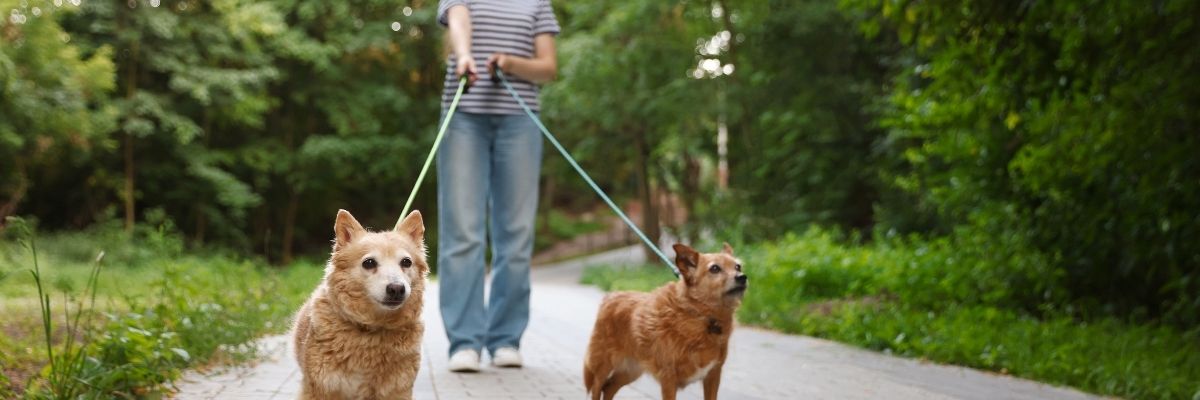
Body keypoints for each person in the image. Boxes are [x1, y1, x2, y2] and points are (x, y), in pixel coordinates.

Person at [435, 0, 560, 372]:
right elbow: (458, 20)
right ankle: (464, 342)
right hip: (463, 116)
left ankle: (505, 339)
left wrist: (509, 62)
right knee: (463, 232)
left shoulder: (538, 4)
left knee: (516, 234)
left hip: (520, 120)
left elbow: (548, 67)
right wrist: (464, 56)